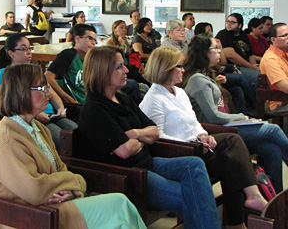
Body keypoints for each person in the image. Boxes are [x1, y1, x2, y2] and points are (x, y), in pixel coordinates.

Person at [0, 63, 147, 229]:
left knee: (121, 209)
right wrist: (73, 183)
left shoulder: (37, 127)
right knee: (119, 207)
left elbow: (60, 169)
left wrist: (73, 189)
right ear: (21, 92)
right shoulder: (7, 139)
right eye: (42, 87)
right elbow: (35, 190)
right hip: (30, 217)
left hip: (52, 208)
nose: (48, 93)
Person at [78, 46, 221, 229]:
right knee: (195, 196)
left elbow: (154, 131)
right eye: (119, 67)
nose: (127, 70)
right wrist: (138, 138)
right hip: (130, 175)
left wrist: (135, 134)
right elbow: (124, 151)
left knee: (194, 164)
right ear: (102, 71)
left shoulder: (124, 99)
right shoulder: (95, 109)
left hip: (147, 162)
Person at [140, 46, 268, 228]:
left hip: (197, 145)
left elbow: (194, 121)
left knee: (233, 160)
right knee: (233, 156)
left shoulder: (179, 92)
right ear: (165, 68)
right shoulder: (153, 99)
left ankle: (241, 215)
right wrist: (192, 143)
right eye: (179, 66)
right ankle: (239, 217)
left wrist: (203, 135)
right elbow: (158, 136)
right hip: (180, 153)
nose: (183, 70)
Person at [181, 34, 288, 193]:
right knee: (273, 130)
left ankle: (275, 197)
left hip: (227, 125)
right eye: (215, 48)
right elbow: (213, 117)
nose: (219, 52)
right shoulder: (197, 80)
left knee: (272, 149)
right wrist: (242, 117)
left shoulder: (206, 75)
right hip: (216, 131)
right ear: (203, 53)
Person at [0, 34, 77, 151]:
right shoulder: (6, 74)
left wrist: (60, 108)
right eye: (23, 49)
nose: (28, 52)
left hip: (53, 116)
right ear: (11, 53)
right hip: (33, 118)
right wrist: (36, 114)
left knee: (76, 131)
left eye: (29, 48)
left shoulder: (34, 72)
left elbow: (52, 94)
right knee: (63, 141)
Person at [195, 22, 256, 116]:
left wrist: (220, 46)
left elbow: (223, 62)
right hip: (217, 74)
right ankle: (255, 106)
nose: (211, 33)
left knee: (237, 90)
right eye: (208, 31)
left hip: (218, 74)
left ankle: (244, 115)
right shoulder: (198, 77)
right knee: (240, 78)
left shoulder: (213, 51)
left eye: (211, 30)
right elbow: (213, 116)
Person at [215, 13, 260, 88]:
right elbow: (231, 56)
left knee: (263, 75)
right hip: (233, 67)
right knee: (257, 77)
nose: (229, 24)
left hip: (247, 65)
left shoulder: (244, 36)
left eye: (232, 22)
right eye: (227, 21)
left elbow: (250, 55)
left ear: (240, 25)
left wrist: (255, 66)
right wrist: (252, 67)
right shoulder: (224, 34)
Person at [260, 23, 288, 113]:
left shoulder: (285, 53)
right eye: (284, 35)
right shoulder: (270, 59)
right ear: (273, 39)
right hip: (281, 103)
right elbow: (286, 88)